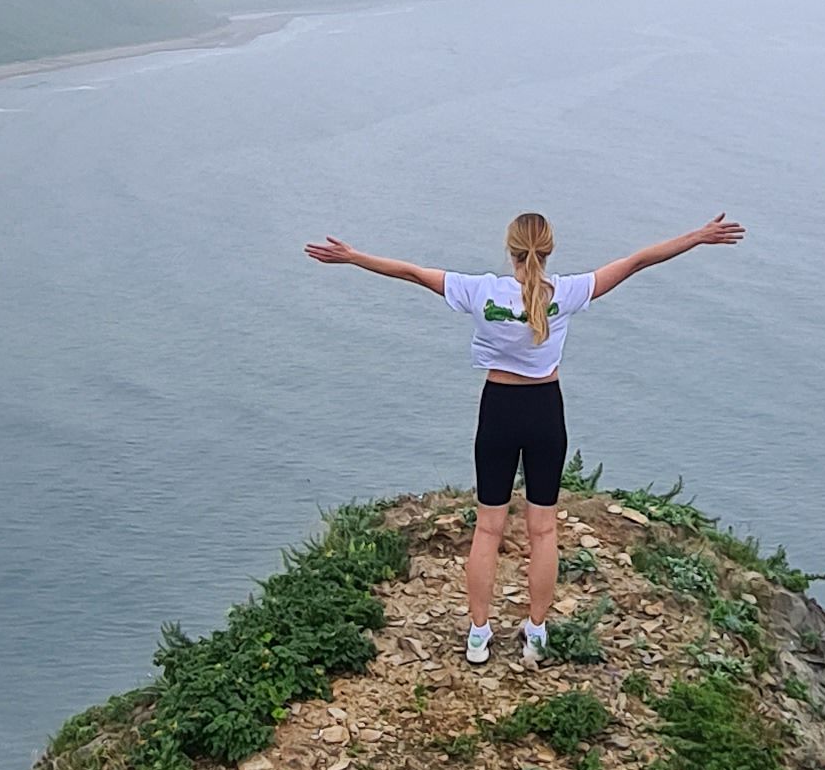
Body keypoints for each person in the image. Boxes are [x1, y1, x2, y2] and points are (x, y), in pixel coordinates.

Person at [302, 206, 745, 660]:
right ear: (548, 250)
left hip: (498, 410)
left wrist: (354, 257)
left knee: (488, 529)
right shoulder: (567, 292)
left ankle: (478, 633)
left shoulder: (479, 291)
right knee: (544, 530)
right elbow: (635, 262)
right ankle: (536, 630)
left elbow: (412, 273)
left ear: (509, 249)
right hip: (545, 412)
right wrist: (697, 237)